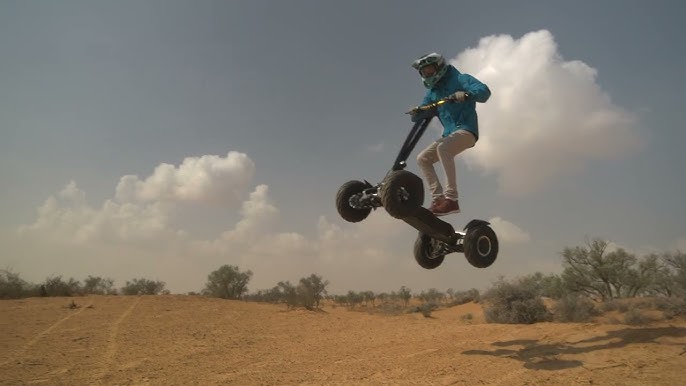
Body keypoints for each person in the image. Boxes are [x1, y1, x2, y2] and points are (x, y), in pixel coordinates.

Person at [409, 52, 491, 216]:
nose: (427, 74)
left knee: (443, 149)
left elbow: (484, 91)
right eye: (424, 72)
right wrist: (417, 112)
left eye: (430, 70)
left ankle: (451, 200)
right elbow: (424, 110)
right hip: (449, 135)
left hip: (466, 130)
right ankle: (438, 199)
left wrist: (467, 95)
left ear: (439, 67)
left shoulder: (461, 79)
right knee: (423, 159)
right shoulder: (433, 92)